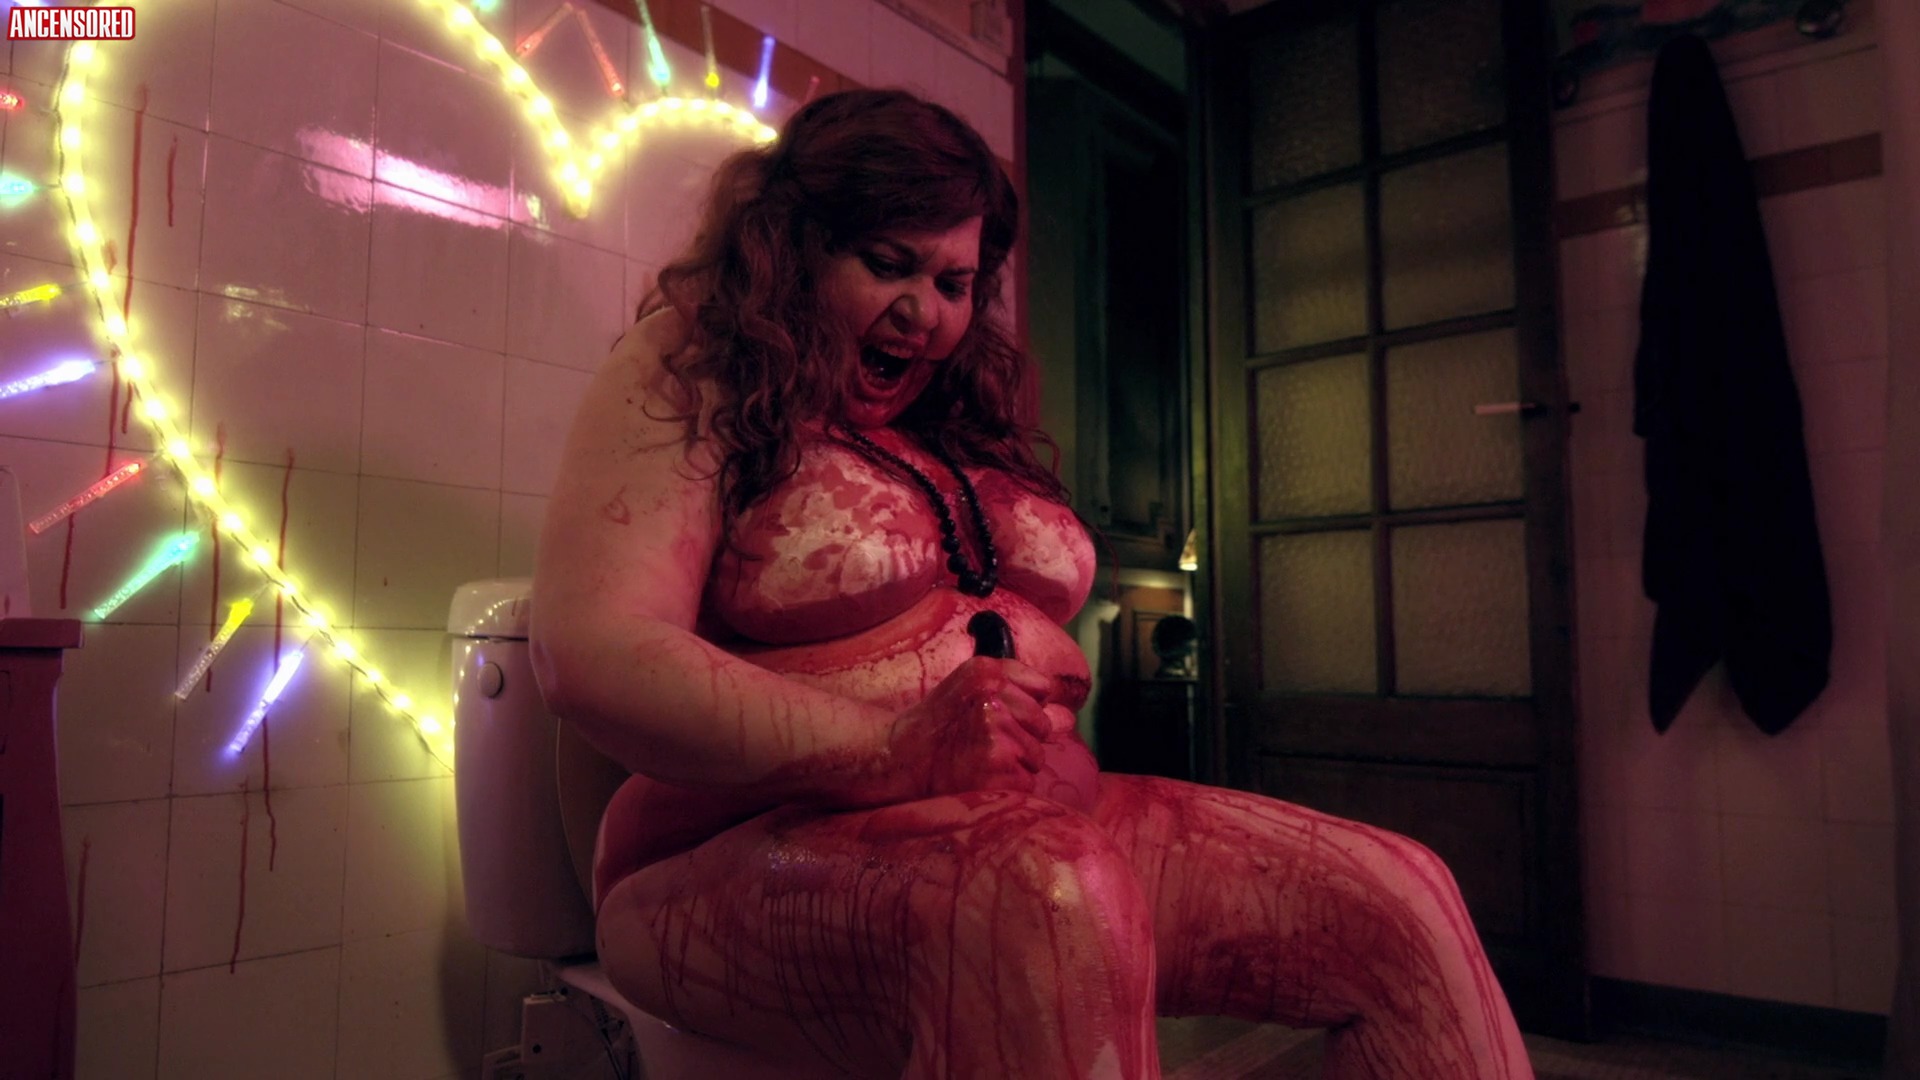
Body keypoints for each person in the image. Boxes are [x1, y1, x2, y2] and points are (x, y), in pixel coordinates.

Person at [530, 88, 1534, 1080]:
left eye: (956, 283)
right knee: (1044, 901)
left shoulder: (951, 422)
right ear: (793, 248)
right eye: (888, 264)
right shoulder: (697, 362)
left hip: (1039, 837)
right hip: (735, 857)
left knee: (1402, 900)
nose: (924, 315)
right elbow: (593, 652)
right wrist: (890, 751)